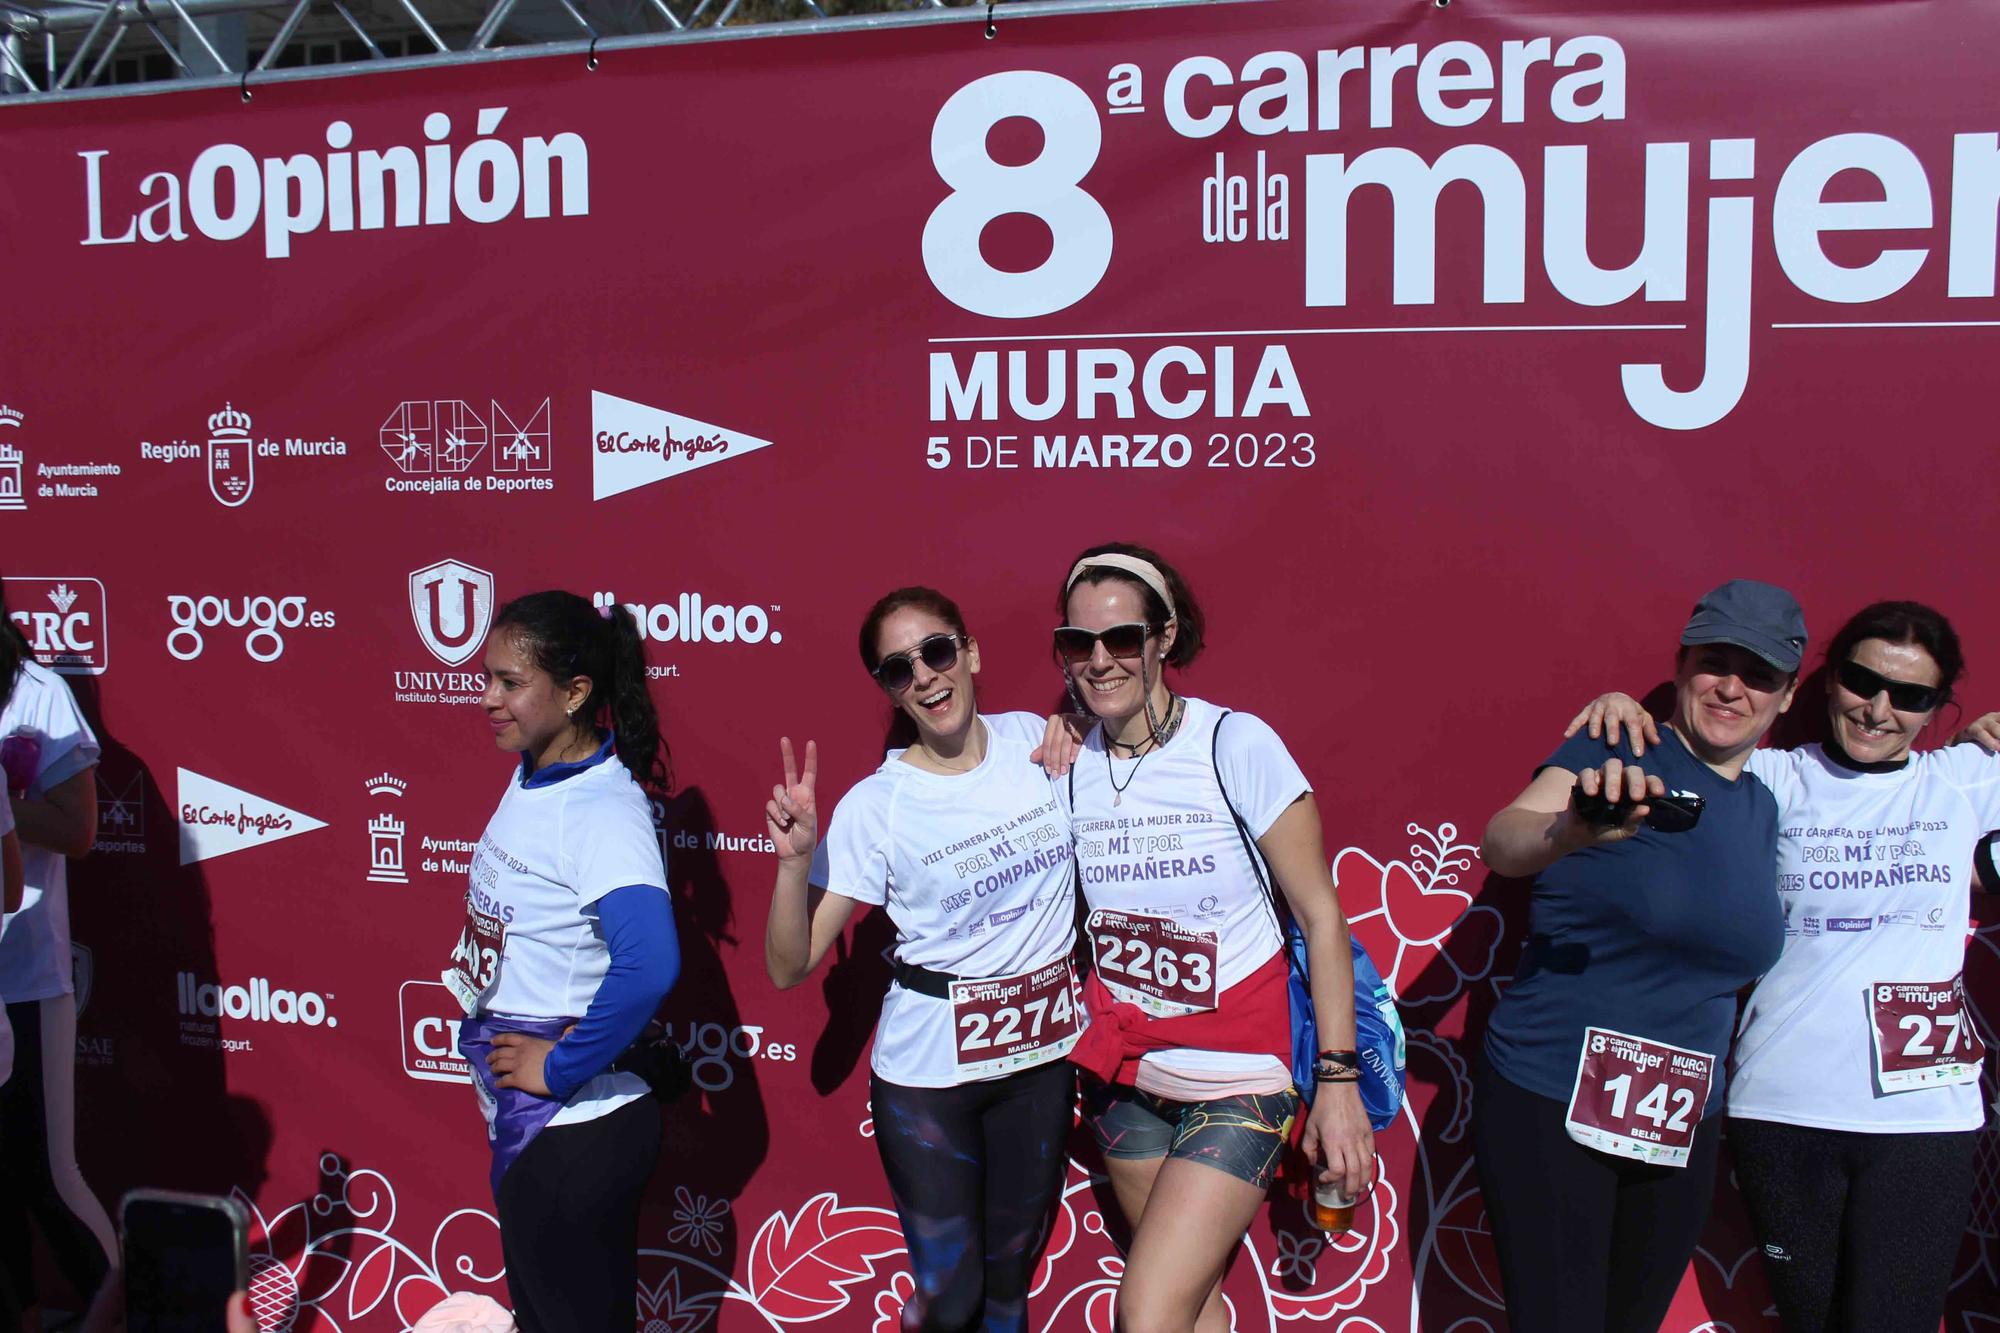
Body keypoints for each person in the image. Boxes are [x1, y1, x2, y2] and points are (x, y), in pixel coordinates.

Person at [1567, 600, 2000, 1333]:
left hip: (1927, 1118)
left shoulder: (1968, 778)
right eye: (1863, 680)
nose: (1879, 707)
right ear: (1827, 683)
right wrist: (1620, 709)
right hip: (1784, 1106)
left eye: (1911, 696)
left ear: (1937, 708)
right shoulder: (1767, 778)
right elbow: (1668, 756)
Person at [1051, 542, 1373, 1333]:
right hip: (1126, 1075)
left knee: (1148, 1310)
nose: (1100, 661)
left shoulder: (1235, 743)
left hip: (1239, 1074)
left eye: (1122, 639)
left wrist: (1337, 1082)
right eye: (1077, 643)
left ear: (1164, 637)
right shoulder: (1063, 757)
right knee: (1193, 1309)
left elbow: (1322, 916)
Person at [1475, 578, 1805, 1333]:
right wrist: (1570, 831)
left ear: (1786, 697)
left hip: (1679, 1117)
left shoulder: (1764, 804)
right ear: (1683, 664)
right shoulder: (1615, 747)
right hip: (1552, 1091)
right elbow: (1505, 839)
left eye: (1758, 675)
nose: (1732, 687)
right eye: (1716, 661)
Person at [764, 587, 1081, 1333]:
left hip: (1040, 1060)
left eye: (937, 651)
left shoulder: (1039, 742)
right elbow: (788, 966)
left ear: (969, 652)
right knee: (950, 1290)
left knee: (1009, 1282)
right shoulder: (879, 804)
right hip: (929, 1079)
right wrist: (793, 865)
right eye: (898, 669)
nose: (926, 677)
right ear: (888, 689)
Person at [447, 591, 681, 1333]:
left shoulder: (602, 811)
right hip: (543, 1124)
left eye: (510, 683)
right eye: (487, 677)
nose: (487, 698)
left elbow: (648, 965)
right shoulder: (537, 770)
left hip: (573, 1127)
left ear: (576, 691)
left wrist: (558, 1065)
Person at [0, 616, 115, 1328]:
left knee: (47, 1173)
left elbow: (78, 828)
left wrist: (1, 810)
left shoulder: (37, 693)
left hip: (25, 975)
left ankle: (137, 1311)